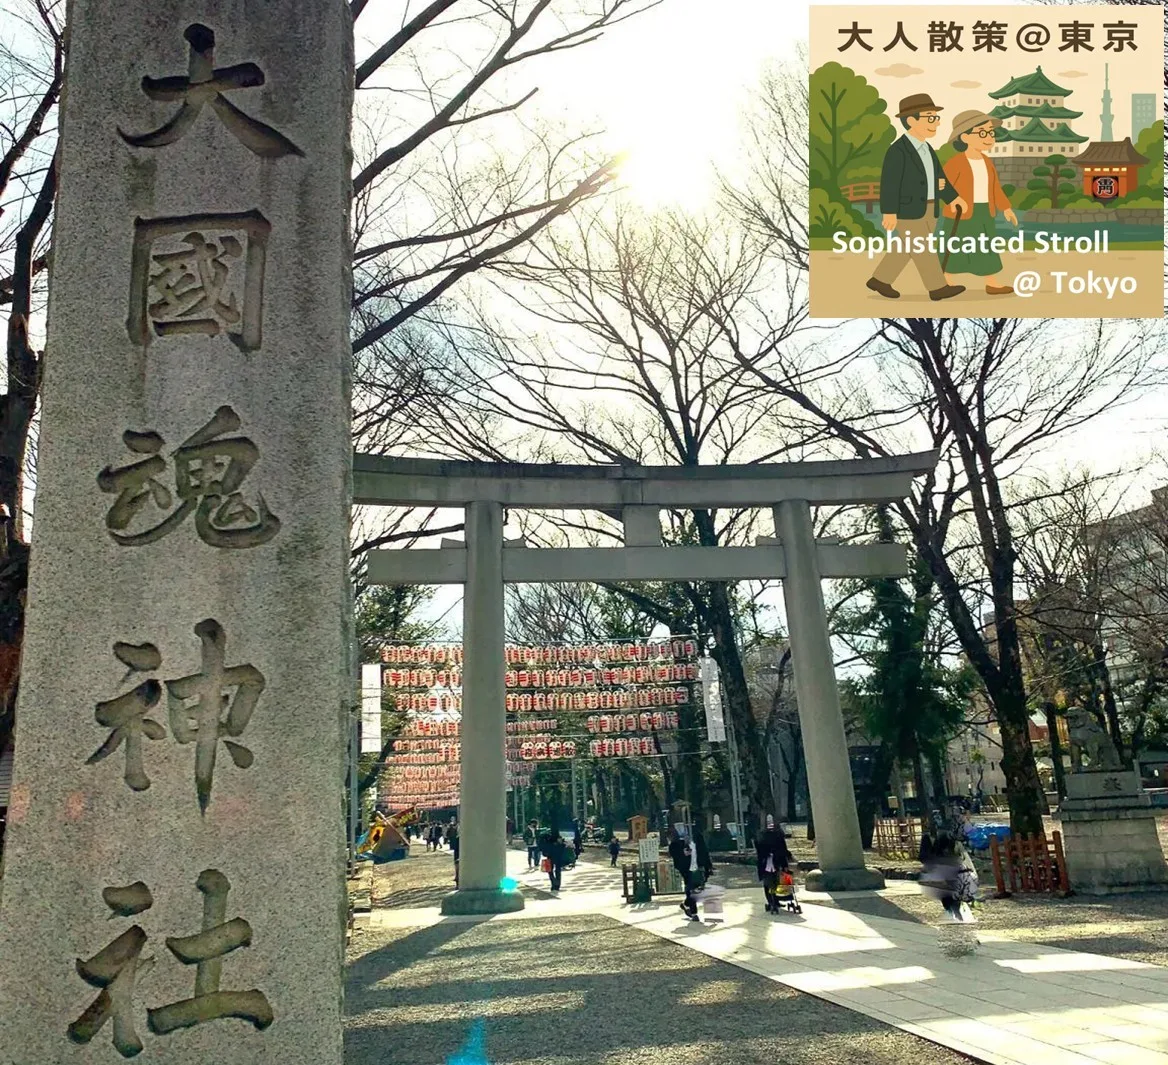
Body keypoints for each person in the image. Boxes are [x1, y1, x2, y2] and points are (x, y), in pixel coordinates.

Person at [867, 92, 967, 303]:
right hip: (908, 210)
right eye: (930, 118)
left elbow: (940, 177)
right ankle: (937, 288)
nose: (936, 123)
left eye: (936, 118)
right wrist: (889, 212)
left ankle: (880, 280)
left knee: (906, 247)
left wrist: (953, 198)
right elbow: (890, 183)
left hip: (930, 208)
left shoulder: (927, 148)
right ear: (911, 120)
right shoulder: (898, 151)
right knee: (922, 247)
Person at [939, 110, 1018, 295]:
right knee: (956, 245)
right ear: (965, 137)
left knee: (985, 244)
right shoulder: (956, 162)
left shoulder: (987, 162)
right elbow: (942, 185)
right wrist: (953, 200)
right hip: (961, 212)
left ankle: (991, 282)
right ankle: (946, 279)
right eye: (982, 133)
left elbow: (995, 188)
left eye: (991, 132)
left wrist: (1006, 208)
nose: (989, 137)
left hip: (984, 211)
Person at [668, 826, 711, 920]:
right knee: (691, 889)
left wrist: (709, 866)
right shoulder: (676, 844)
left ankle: (686, 904)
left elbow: (705, 853)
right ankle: (694, 913)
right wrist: (684, 851)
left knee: (698, 889)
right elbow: (676, 856)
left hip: (698, 868)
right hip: (686, 869)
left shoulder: (698, 840)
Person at [755, 815, 793, 914]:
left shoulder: (778, 836)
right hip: (766, 863)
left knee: (777, 882)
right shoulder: (761, 836)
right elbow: (760, 851)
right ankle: (772, 901)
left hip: (776, 862)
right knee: (769, 883)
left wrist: (785, 863)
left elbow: (783, 850)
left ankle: (776, 900)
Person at [539, 826, 566, 892]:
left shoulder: (546, 835)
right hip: (557, 854)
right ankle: (557, 884)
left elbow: (541, 844)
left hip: (550, 854)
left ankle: (554, 883)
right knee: (557, 870)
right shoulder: (559, 834)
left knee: (550, 870)